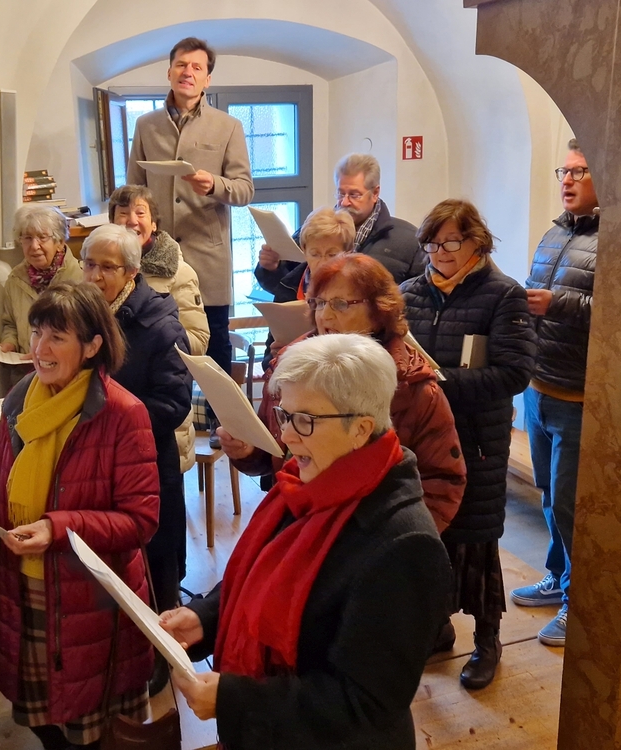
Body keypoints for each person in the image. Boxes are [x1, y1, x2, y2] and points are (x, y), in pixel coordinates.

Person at [161, 333, 451, 749]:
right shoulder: (304, 486)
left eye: (305, 421)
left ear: (361, 429)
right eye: (285, 415)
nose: (287, 437)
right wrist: (205, 618)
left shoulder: (404, 545)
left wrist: (236, 700)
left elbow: (366, 704)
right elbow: (262, 580)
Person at [0, 282, 159, 749]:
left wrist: (58, 528)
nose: (39, 348)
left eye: (57, 337)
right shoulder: (20, 398)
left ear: (92, 346)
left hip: (90, 596)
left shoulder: (123, 413)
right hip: (27, 584)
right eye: (37, 332)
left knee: (90, 726)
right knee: (41, 714)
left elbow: (140, 520)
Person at [220, 253, 466, 532]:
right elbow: (277, 450)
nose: (325, 315)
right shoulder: (289, 367)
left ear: (378, 309)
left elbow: (443, 482)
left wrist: (398, 540)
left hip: (371, 537)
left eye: (340, 304)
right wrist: (248, 451)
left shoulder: (412, 384)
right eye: (319, 303)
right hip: (296, 523)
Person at [400, 199, 536, 690]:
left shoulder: (503, 295)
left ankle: (487, 639)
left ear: (477, 241)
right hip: (421, 440)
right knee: (426, 536)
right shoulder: (409, 293)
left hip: (476, 439)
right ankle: (436, 627)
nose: (440, 253)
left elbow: (514, 373)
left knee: (475, 540)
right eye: (432, 244)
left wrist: (439, 383)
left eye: (451, 243)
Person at [510, 139, 598, 648]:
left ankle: (578, 603)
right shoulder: (554, 234)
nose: (567, 180)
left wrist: (558, 302)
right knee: (548, 495)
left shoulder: (619, 236)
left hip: (579, 395)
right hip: (539, 386)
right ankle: (557, 576)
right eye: (564, 172)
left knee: (570, 505)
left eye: (579, 172)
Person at [81, 224, 192, 623]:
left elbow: (173, 403)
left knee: (154, 577)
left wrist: (109, 419)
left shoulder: (160, 325)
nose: (95, 276)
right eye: (89, 264)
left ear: (131, 271)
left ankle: (160, 650)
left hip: (147, 466)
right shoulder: (82, 316)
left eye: (107, 268)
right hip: (94, 464)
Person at [127, 36, 254, 379]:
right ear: (169, 72)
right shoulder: (145, 125)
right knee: (157, 346)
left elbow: (245, 190)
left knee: (215, 346)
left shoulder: (229, 126)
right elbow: (132, 191)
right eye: (181, 65)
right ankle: (170, 410)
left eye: (197, 67)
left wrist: (214, 184)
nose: (188, 72)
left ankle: (220, 413)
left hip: (208, 257)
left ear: (207, 79)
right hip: (156, 256)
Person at [255, 153, 424, 300]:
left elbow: (419, 301)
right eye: (341, 193)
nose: (344, 202)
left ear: (375, 193)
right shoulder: (315, 230)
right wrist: (270, 269)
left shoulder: (407, 240)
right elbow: (285, 288)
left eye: (354, 195)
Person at [109, 184, 209, 356]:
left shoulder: (179, 272)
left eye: (140, 213)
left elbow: (198, 341)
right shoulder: (100, 270)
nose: (132, 221)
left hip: (160, 367)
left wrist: (148, 337)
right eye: (123, 213)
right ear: (112, 224)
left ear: (153, 224)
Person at [255, 206, 354, 371]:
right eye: (315, 254)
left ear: (348, 252)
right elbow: (267, 361)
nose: (323, 263)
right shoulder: (288, 287)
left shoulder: (358, 292)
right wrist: (276, 357)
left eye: (332, 254)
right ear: (304, 251)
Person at [0, 204, 84, 355]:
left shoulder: (81, 279)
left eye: (42, 237)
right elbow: (10, 324)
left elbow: (85, 334)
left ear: (60, 242)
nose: (34, 246)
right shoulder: (15, 279)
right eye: (27, 238)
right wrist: (9, 343)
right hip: (25, 365)